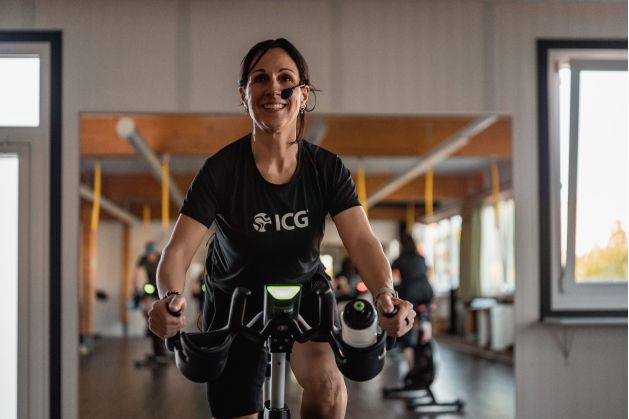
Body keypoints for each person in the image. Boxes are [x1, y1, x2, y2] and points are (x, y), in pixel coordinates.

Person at [148, 38, 416, 419]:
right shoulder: (221, 170)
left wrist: (385, 294)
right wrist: (170, 298)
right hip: (234, 302)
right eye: (260, 79)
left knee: (329, 389)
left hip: (304, 292)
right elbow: (177, 251)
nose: (273, 88)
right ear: (244, 95)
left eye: (285, 79)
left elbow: (361, 240)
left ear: (303, 95)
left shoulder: (326, 169)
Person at [391, 234, 434, 369]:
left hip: (410, 294)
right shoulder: (421, 258)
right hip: (427, 292)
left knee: (407, 325)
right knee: (425, 317)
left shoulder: (399, 261)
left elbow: (392, 279)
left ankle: (412, 367)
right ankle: (426, 339)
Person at [134, 242, 168, 364]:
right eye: (149, 254)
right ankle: (156, 349)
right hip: (149, 290)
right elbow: (136, 274)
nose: (150, 257)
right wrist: (135, 289)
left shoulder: (161, 258)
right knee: (148, 315)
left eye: (152, 254)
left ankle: (161, 351)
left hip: (161, 290)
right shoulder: (143, 259)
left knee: (159, 319)